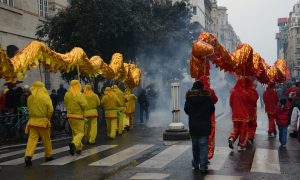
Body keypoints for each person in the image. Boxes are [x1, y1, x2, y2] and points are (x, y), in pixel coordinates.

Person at [184, 81, 215, 173]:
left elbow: (186, 110)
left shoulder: (189, 98)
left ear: (193, 88)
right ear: (202, 88)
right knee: (203, 146)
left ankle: (196, 163)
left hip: (194, 125)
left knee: (195, 146)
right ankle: (203, 166)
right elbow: (212, 109)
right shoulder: (207, 98)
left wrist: (193, 114)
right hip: (205, 125)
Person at [24, 81, 54, 166]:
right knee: (46, 140)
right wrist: (48, 118)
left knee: (31, 140)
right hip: (43, 122)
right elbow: (51, 110)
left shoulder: (30, 98)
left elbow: (29, 109)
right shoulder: (46, 97)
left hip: (32, 122)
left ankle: (28, 155)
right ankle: (48, 155)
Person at [64, 80, 88, 155]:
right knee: (81, 133)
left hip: (70, 116)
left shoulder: (67, 94)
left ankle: (78, 148)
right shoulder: (79, 94)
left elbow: (66, 103)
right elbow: (84, 105)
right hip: (78, 116)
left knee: (75, 133)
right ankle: (74, 144)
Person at [228, 79, 251, 152]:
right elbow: (249, 102)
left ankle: (231, 138)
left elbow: (231, 103)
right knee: (243, 131)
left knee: (236, 129)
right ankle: (241, 145)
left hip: (235, 114)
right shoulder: (246, 93)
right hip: (244, 115)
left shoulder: (233, 92)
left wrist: (235, 109)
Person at [199, 76, 218, 161]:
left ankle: (201, 156)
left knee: (201, 136)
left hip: (199, 118)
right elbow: (215, 100)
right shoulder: (210, 91)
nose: (209, 82)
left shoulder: (197, 92)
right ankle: (207, 155)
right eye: (208, 80)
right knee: (210, 136)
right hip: (209, 117)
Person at [246, 79, 259, 144]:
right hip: (251, 110)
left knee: (245, 125)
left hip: (244, 111)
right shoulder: (253, 91)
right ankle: (249, 137)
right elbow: (255, 99)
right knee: (252, 125)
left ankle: (245, 137)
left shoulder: (242, 90)